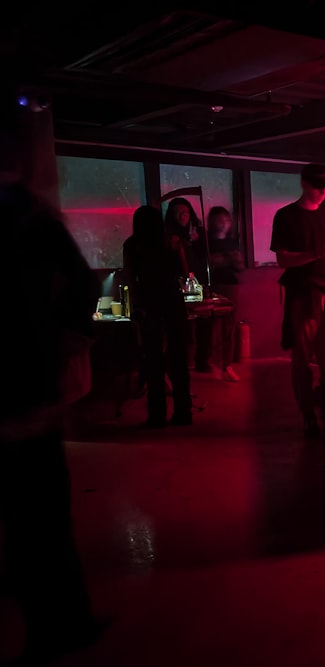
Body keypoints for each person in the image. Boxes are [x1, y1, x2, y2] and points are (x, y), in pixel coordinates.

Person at [0, 179, 107, 664]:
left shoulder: (25, 213)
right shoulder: (28, 213)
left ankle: (57, 626)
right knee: (41, 516)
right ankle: (64, 625)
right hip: (27, 379)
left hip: (24, 383)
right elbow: (85, 284)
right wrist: (68, 336)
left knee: (31, 519)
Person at [269, 163, 325, 439]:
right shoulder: (286, 216)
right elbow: (282, 259)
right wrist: (317, 254)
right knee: (303, 358)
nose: (323, 191)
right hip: (305, 293)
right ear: (304, 183)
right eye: (318, 186)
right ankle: (308, 414)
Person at [122, 205, 194, 427]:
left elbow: (130, 279)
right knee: (178, 358)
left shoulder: (132, 245)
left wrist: (134, 308)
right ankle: (183, 413)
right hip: (172, 301)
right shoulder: (172, 241)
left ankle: (157, 415)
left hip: (149, 304)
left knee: (153, 360)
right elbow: (185, 272)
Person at [199, 205, 243, 382]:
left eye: (226, 219)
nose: (223, 223)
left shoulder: (232, 242)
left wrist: (225, 260)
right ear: (211, 222)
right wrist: (226, 259)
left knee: (228, 328)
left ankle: (227, 365)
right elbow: (204, 265)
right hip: (210, 287)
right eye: (219, 219)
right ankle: (205, 361)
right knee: (205, 327)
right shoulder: (204, 242)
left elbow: (239, 266)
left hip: (229, 286)